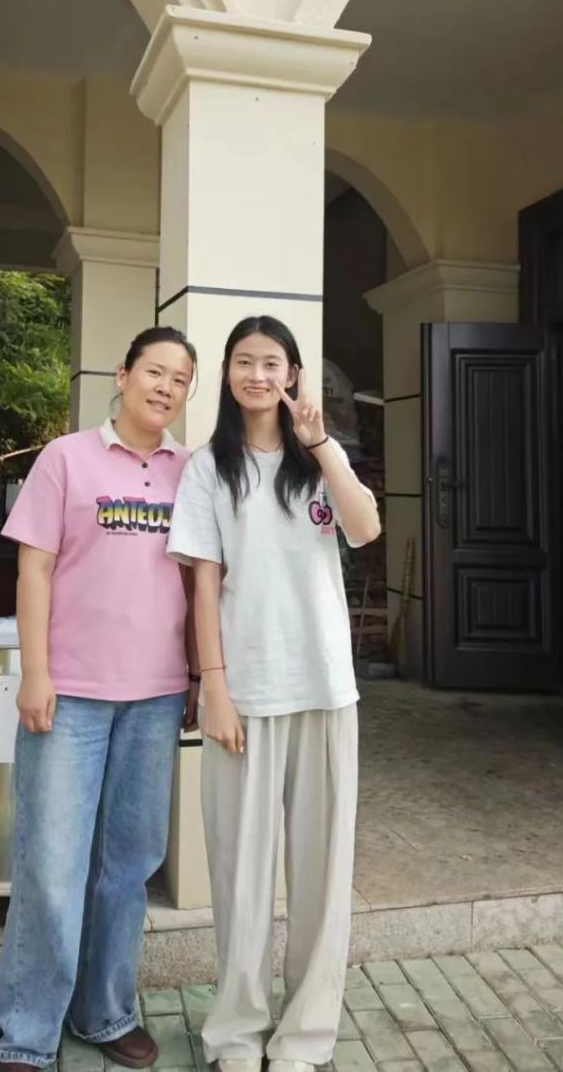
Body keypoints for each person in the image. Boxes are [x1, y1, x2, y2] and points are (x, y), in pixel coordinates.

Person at [167, 315, 380, 1072]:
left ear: (292, 374)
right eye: (243, 362)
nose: (257, 375)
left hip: (325, 688)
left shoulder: (318, 458)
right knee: (240, 876)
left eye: (271, 363)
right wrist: (213, 688)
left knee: (322, 877)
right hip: (246, 696)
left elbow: (365, 528)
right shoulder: (207, 469)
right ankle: (236, 1033)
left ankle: (304, 1037)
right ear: (228, 375)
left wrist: (322, 445)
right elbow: (204, 586)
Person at [0, 326, 200, 1072]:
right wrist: (36, 672)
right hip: (70, 694)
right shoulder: (66, 458)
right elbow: (34, 570)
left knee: (129, 865)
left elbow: (202, 582)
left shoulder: (192, 473)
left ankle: (106, 1012)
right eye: (155, 371)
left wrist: (199, 677)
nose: (165, 387)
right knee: (51, 866)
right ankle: (26, 1035)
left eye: (181, 379)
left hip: (155, 698)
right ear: (123, 375)